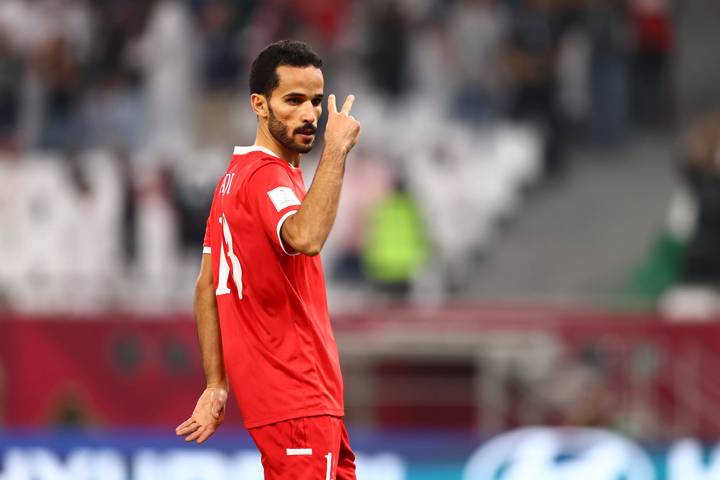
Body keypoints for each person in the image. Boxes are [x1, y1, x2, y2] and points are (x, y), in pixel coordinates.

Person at [175, 40, 361, 480]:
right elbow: (306, 236)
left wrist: (217, 385)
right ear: (259, 104)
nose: (310, 114)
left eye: (316, 101)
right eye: (293, 100)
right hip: (298, 403)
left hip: (304, 407)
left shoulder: (232, 180)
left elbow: (207, 285)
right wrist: (335, 151)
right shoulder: (266, 177)